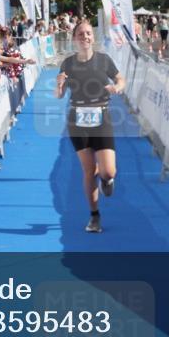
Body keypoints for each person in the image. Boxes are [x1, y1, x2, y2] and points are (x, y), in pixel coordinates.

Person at [56, 21, 125, 233]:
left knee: (108, 170)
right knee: (88, 171)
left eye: (88, 33)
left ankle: (106, 178)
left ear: (92, 37)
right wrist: (59, 85)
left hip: (101, 117)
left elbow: (120, 78)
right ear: (74, 38)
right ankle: (94, 216)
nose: (85, 37)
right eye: (80, 34)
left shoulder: (103, 60)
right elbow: (58, 95)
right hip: (77, 120)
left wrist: (117, 87)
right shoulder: (67, 64)